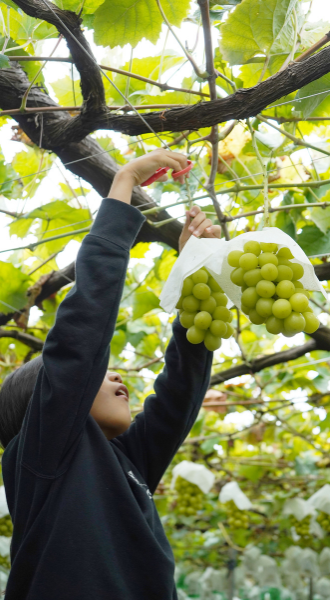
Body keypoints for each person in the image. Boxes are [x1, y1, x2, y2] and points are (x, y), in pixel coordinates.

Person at [0, 148, 222, 598]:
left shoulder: (128, 463)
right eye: (101, 373)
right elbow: (81, 339)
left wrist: (193, 273)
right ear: (48, 401)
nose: (118, 378)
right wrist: (123, 184)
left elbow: (180, 392)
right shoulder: (43, 452)